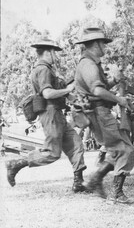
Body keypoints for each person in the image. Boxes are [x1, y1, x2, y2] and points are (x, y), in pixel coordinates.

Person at [5, 38, 87, 192]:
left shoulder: (48, 69)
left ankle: (79, 182)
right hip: (50, 114)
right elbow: (48, 93)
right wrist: (68, 90)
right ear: (48, 53)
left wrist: (71, 97)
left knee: (76, 143)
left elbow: (58, 91)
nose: (56, 56)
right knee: (52, 153)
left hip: (57, 114)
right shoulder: (43, 69)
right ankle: (16, 164)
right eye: (54, 53)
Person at [74, 27, 134, 204]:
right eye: (102, 43)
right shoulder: (89, 64)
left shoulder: (90, 64)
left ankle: (98, 180)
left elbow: (99, 87)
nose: (105, 47)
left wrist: (114, 80)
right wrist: (120, 100)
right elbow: (97, 90)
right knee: (123, 148)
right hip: (99, 112)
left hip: (98, 112)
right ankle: (112, 189)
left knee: (118, 149)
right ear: (94, 44)